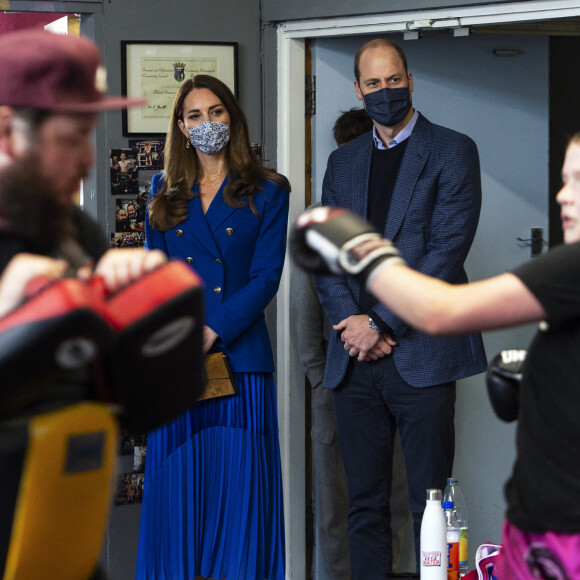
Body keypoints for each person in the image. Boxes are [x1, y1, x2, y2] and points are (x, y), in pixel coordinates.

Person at [292, 130, 580, 580]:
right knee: (367, 502)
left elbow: (440, 308)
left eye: (578, 181)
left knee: (428, 500)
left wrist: (355, 264)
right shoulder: (566, 267)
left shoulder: (569, 268)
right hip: (545, 525)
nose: (563, 194)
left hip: (563, 533)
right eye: (563, 178)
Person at [312, 38, 487, 578]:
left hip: (423, 355)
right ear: (358, 90)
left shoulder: (453, 149)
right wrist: (353, 327)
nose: (384, 91)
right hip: (355, 361)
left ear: (410, 81)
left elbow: (445, 251)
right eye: (373, 83)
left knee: (431, 505)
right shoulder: (344, 161)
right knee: (363, 507)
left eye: (393, 80)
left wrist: (379, 322)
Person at [0, 29, 170, 580]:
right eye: (72, 138)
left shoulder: (72, 231)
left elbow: (132, 404)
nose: (89, 161)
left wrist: (137, 315)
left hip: (59, 529)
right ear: (8, 131)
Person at [136, 74, 290, 580]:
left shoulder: (269, 189)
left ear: (233, 117)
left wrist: (211, 330)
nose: (207, 124)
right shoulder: (162, 190)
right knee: (175, 491)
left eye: (216, 112)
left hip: (240, 364)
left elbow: (267, 277)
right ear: (180, 127)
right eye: (195, 116)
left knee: (239, 494)